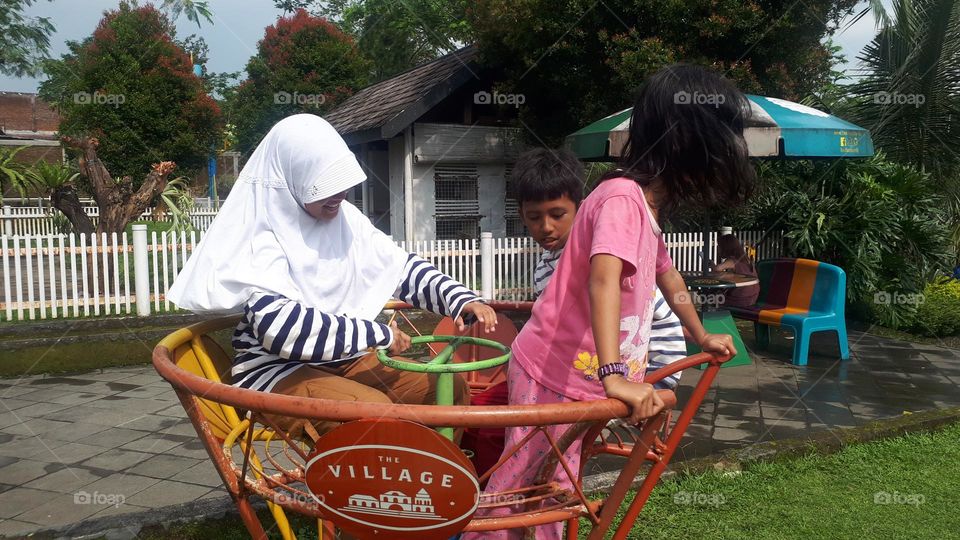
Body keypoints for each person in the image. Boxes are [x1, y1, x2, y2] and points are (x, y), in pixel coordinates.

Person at [462, 64, 756, 539]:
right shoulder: (620, 197)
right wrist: (614, 375)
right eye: (721, 138)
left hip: (582, 378)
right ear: (685, 140)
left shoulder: (645, 205)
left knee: (557, 485)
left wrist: (698, 332)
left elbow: (664, 271)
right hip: (551, 371)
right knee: (520, 486)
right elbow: (604, 282)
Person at [167, 114, 496, 442]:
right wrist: (376, 334)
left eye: (342, 182)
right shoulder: (261, 235)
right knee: (370, 412)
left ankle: (438, 481)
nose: (340, 193)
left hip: (348, 359)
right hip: (278, 371)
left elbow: (402, 268)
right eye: (324, 184)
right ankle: (376, 488)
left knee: (446, 387)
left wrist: (461, 299)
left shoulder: (345, 219)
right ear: (292, 179)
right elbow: (281, 330)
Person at [462, 148, 689, 477]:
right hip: (574, 373)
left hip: (616, 379)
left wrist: (650, 384)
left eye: (557, 214)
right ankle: (494, 492)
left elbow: (653, 317)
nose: (547, 227)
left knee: (484, 421)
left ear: (581, 210)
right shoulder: (545, 265)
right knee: (480, 416)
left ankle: (496, 498)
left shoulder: (601, 254)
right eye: (534, 217)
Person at [714, 233, 760, 308]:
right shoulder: (745, 259)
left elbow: (717, 269)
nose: (718, 249)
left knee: (711, 298)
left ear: (725, 248)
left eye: (719, 246)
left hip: (741, 298)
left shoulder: (732, 260)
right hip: (753, 296)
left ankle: (715, 318)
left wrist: (710, 263)